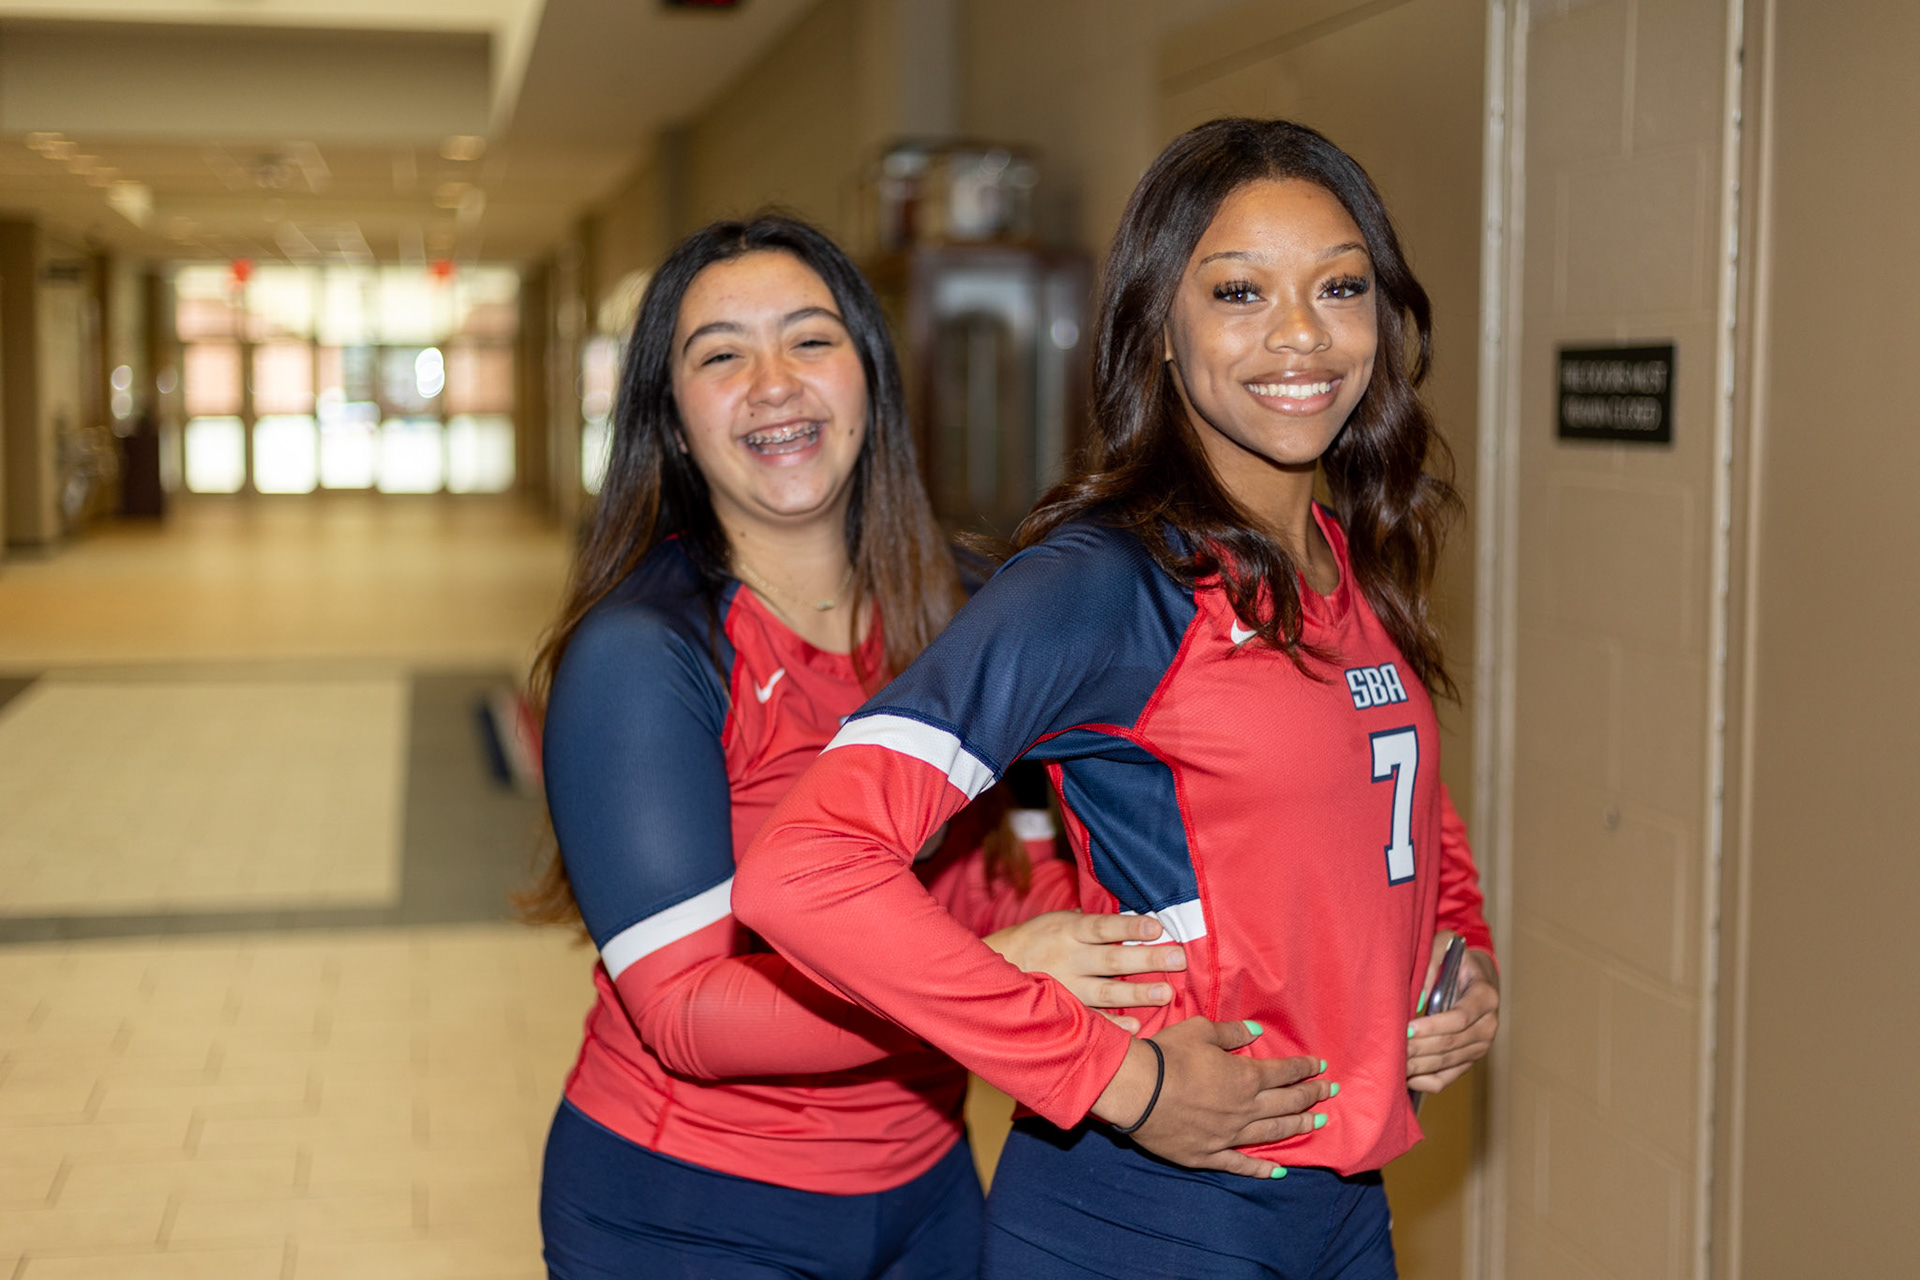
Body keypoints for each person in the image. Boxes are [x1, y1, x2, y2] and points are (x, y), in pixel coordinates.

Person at [735, 119, 1500, 1279]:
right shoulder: (1105, 582)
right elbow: (806, 871)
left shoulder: (1348, 556)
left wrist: (1463, 961)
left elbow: (1397, 801)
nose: (1302, 332)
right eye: (1240, 291)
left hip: (1341, 1204)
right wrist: (1119, 1080)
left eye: (1340, 286)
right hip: (1149, 1217)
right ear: (1157, 331)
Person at [524, 213, 1198, 1280]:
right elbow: (688, 1011)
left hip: (930, 1192)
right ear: (672, 416)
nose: (774, 381)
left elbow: (1052, 864)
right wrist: (995, 976)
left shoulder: (974, 611)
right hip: (692, 1211)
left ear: (871, 373)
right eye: (721, 355)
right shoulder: (645, 653)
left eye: (809, 338)